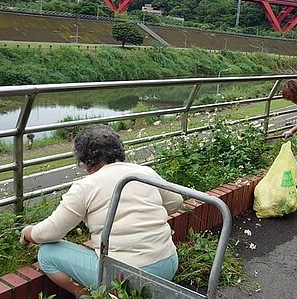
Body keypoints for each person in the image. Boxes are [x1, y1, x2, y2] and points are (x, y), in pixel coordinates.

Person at [20, 124, 183, 297]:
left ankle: (90, 295)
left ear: (83, 160)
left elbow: (49, 233)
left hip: (125, 278)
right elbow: (176, 201)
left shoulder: (85, 187)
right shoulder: (144, 172)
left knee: (47, 254)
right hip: (168, 264)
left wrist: (28, 233)